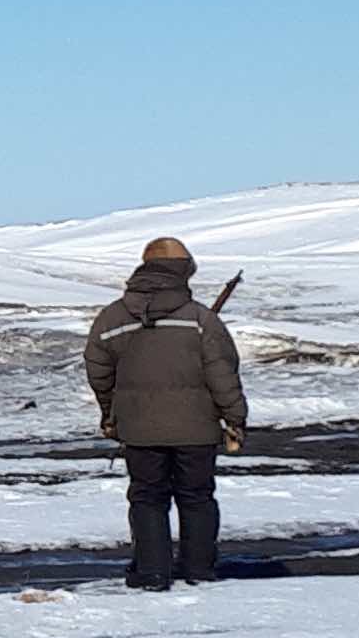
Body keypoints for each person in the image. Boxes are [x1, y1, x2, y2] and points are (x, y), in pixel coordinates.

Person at [83, 235, 245, 589]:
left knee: (147, 497)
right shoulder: (201, 319)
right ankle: (198, 570)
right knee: (197, 497)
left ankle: (152, 572)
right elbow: (223, 374)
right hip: (197, 428)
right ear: (183, 272)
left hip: (138, 429)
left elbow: (98, 371)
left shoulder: (111, 319)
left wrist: (111, 414)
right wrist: (234, 418)